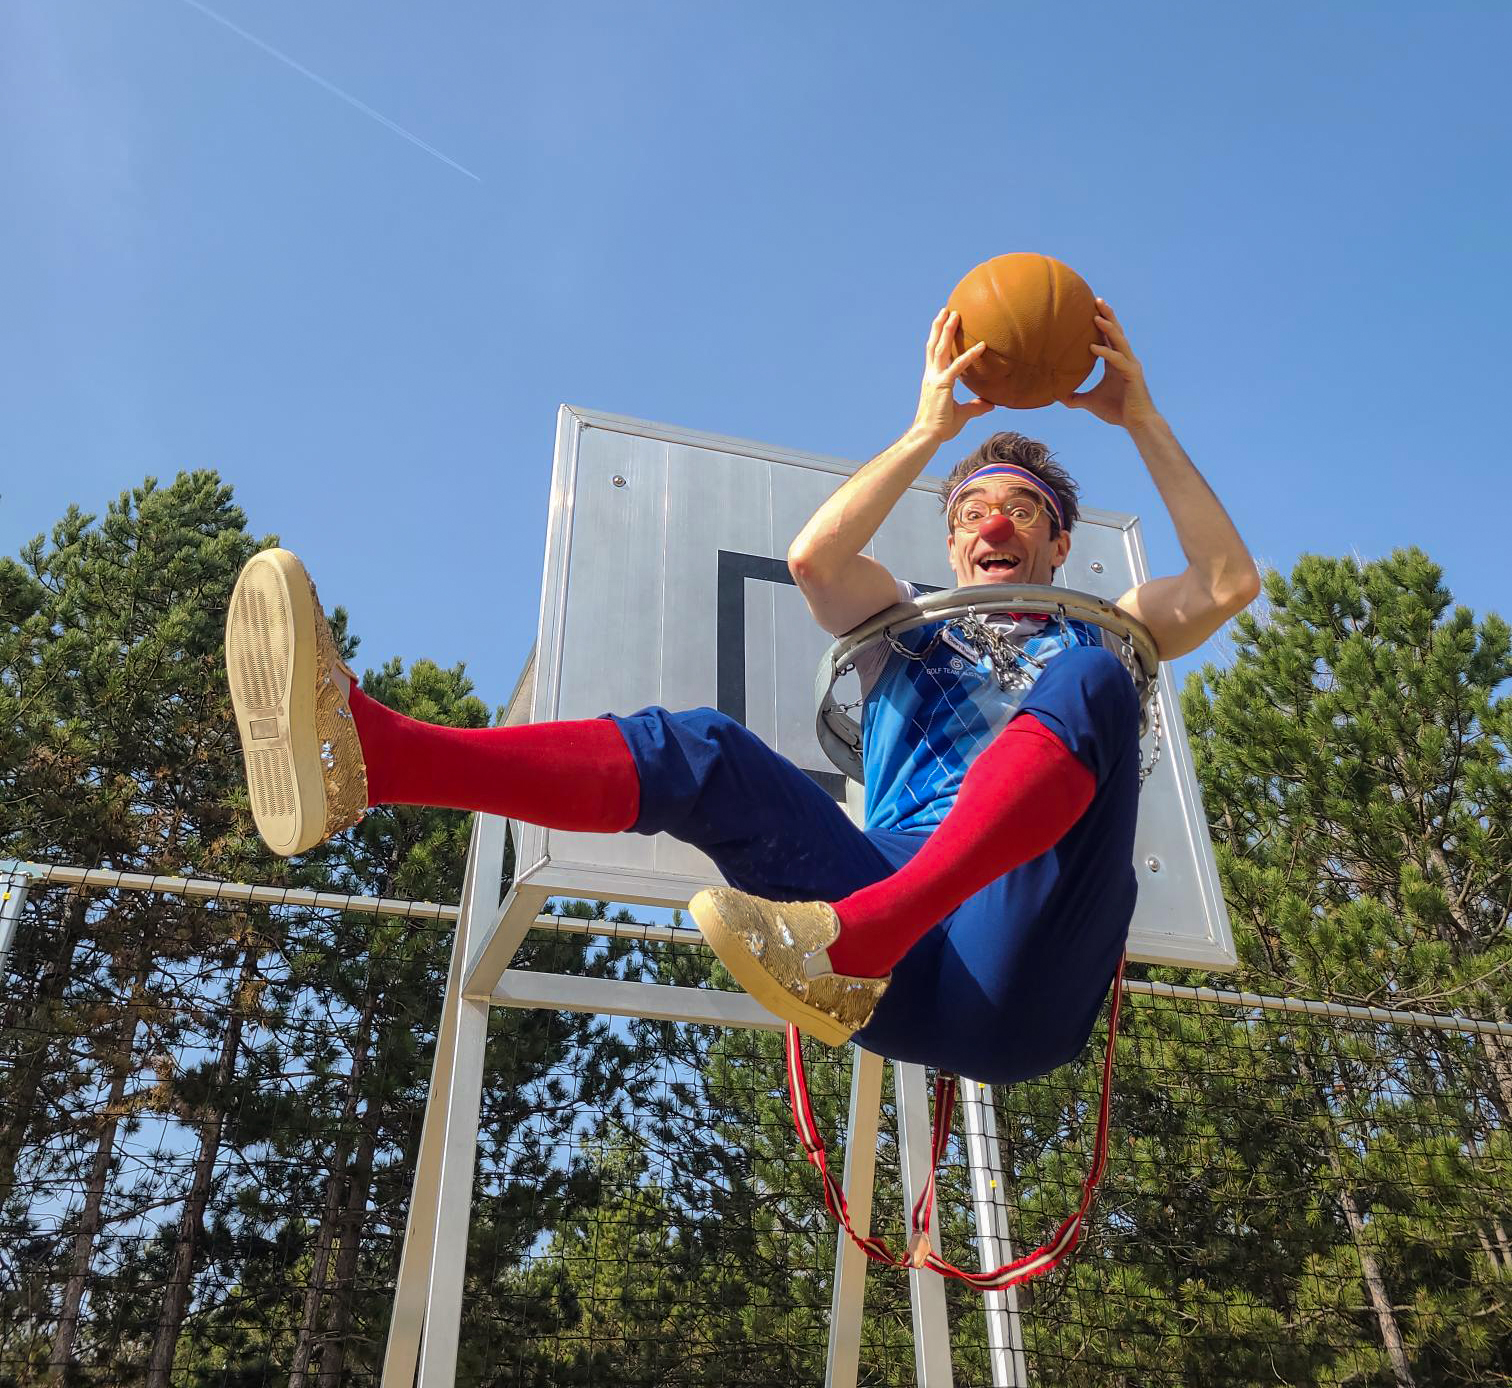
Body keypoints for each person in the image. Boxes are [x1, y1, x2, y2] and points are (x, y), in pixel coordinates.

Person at [226, 298, 1258, 1086]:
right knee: (705, 750)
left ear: (1057, 540)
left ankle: (872, 932)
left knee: (1097, 671)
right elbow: (815, 560)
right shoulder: (906, 622)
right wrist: (926, 433)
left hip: (1020, 958)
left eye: (1020, 511)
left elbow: (1226, 585)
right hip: (868, 944)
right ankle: (374, 758)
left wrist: (1140, 416)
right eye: (972, 507)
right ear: (950, 535)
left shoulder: (1100, 631)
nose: (992, 523)